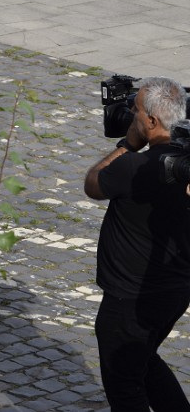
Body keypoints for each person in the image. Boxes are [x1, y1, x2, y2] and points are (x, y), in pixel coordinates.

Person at [84, 77, 190, 411]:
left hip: (128, 300)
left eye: (135, 111)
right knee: (142, 362)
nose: (131, 115)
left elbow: (93, 184)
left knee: (124, 383)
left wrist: (127, 144)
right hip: (175, 292)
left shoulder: (133, 167)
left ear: (151, 121)